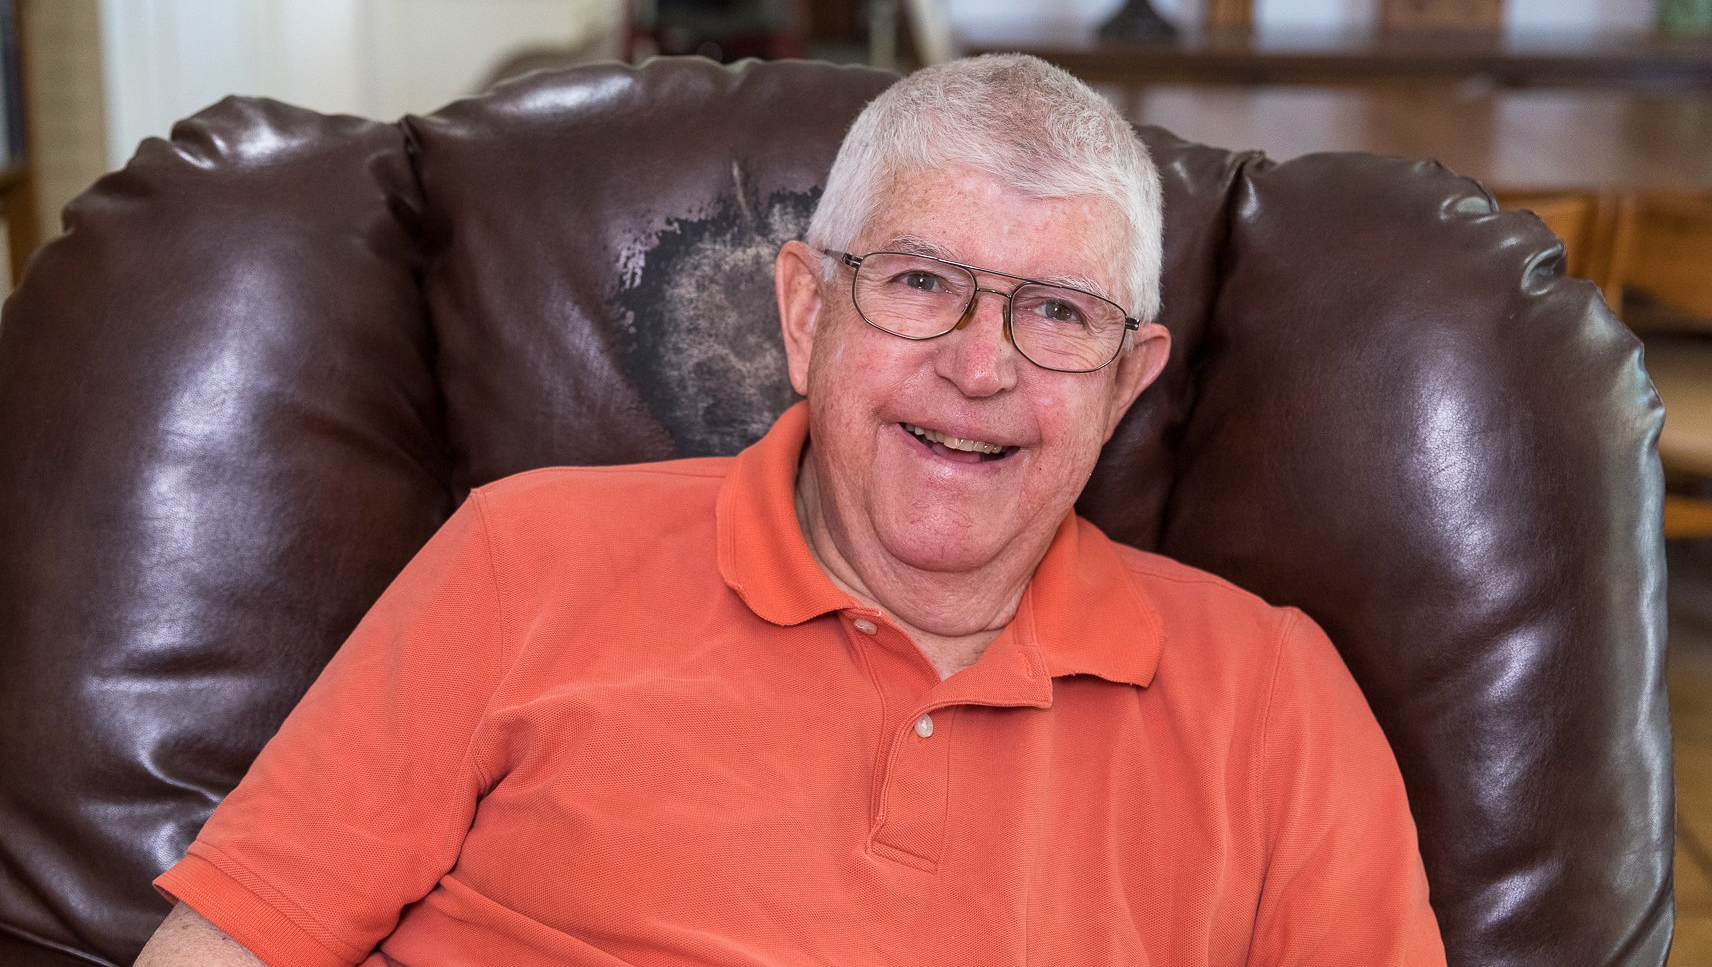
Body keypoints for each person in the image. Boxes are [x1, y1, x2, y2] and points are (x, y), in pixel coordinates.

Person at [137, 54, 1446, 966]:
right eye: (923, 282)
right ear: (807, 312)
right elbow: (237, 937)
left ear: (1125, 382)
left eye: (1057, 313)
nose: (980, 366)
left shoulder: (1276, 700)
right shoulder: (520, 556)